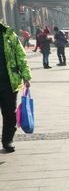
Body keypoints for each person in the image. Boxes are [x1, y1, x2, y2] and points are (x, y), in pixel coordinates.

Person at [1, 22, 32, 153]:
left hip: (8, 82)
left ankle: (7, 140)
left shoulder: (8, 35)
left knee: (9, 113)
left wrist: (26, 75)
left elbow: (20, 56)